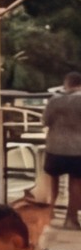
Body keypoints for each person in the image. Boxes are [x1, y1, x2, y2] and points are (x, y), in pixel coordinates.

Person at [46, 72, 81, 229]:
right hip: (77, 148)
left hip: (54, 146)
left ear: (66, 83)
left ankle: (48, 213)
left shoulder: (54, 100)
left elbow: (45, 120)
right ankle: (71, 219)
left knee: (53, 179)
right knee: (76, 182)